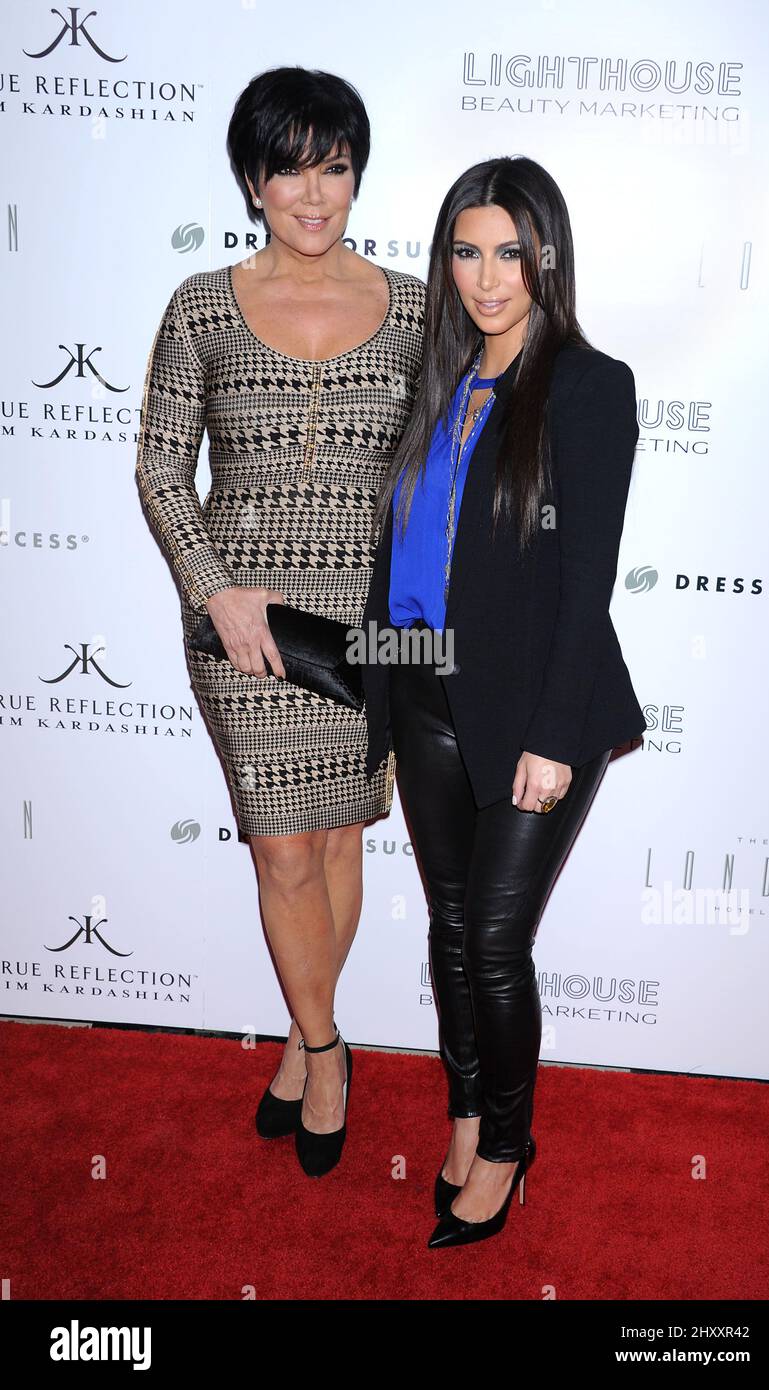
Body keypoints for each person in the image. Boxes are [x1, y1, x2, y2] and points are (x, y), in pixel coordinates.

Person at [135, 66, 425, 1177]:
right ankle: (327, 1045)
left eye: (335, 166)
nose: (314, 192)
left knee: (342, 836)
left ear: (356, 175)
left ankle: (306, 1049)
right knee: (281, 851)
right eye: (289, 167)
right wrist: (214, 586)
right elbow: (162, 469)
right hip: (241, 624)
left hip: (366, 627)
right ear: (251, 180)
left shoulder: (410, 306)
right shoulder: (201, 304)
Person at [360, 155, 646, 1247]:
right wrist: (386, 703)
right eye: (465, 251)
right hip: (428, 702)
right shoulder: (435, 381)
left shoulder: (584, 384)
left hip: (538, 711)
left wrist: (549, 739)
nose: (486, 277)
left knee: (489, 941)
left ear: (547, 256)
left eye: (508, 252)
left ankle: (512, 1146)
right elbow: (405, 563)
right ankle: (468, 1109)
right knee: (444, 927)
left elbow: (587, 586)